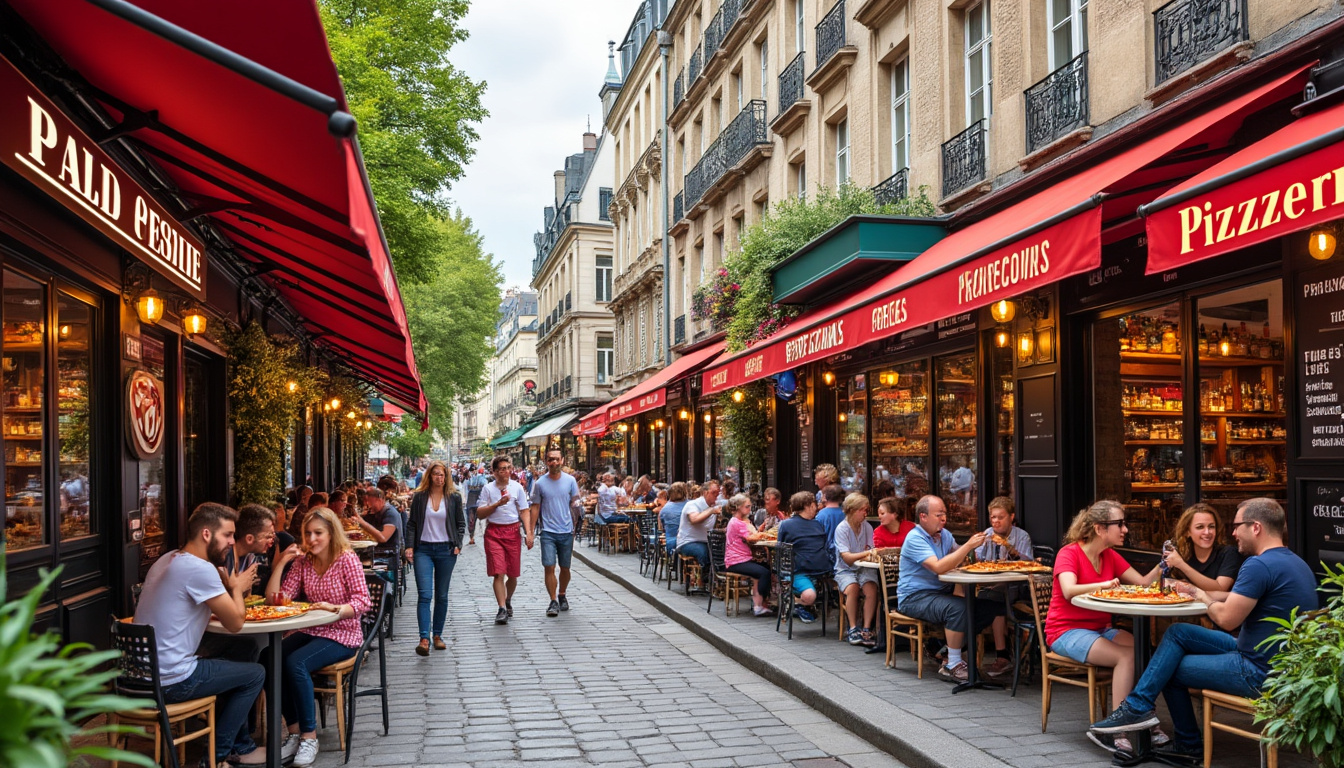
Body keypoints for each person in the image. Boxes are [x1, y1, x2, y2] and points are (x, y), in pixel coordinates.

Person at [1089, 498, 1319, 760]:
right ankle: (1138, 708)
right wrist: (1194, 591)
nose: (1233, 533)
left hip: (1259, 670)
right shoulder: (1295, 562)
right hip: (1278, 662)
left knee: (1169, 668)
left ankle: (1184, 741)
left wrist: (1202, 596)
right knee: (1178, 633)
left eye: (1237, 526)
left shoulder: (1258, 565)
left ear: (1255, 527)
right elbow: (1234, 599)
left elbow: (1226, 619)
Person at [133, 503, 267, 766]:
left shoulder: (167, 558)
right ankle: (216, 757)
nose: (232, 542)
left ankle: (239, 745)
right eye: (227, 535)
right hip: (171, 680)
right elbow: (236, 622)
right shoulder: (199, 569)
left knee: (244, 649)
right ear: (206, 534)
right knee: (255, 675)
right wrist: (236, 587)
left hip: (139, 675)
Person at [1045, 500, 1164, 749]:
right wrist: (1104, 584)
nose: (1125, 529)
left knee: (1145, 652)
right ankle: (1115, 729)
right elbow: (1069, 590)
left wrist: (1164, 565)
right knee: (1126, 657)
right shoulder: (1069, 553)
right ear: (1100, 528)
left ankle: (1144, 718)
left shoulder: (1109, 555)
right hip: (1065, 631)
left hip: (1099, 629)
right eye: (1119, 524)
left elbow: (1143, 583)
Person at [265, 507, 370, 767]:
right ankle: (294, 731)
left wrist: (336, 609)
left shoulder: (346, 558)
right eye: (308, 533)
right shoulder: (303, 562)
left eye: (318, 533)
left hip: (343, 632)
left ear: (331, 532)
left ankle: (309, 737)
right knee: (268, 657)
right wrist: (281, 564)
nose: (312, 539)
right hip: (312, 629)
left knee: (295, 662)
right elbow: (276, 601)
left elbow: (362, 600)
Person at [897, 495, 1003, 683]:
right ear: (923, 516)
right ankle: (952, 665)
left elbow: (958, 556)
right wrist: (968, 545)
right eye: (939, 515)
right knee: (958, 608)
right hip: (915, 597)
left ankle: (944, 650)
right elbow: (938, 567)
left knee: (990, 608)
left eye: (945, 514)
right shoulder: (915, 538)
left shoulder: (944, 534)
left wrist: (972, 553)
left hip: (940, 593)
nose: (944, 519)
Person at [405, 462, 465, 655]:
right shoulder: (420, 497)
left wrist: (458, 544)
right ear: (429, 476)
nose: (439, 478)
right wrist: (409, 546)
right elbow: (412, 523)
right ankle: (424, 638)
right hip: (423, 549)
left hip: (446, 550)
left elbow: (460, 523)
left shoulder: (453, 497)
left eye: (442, 475)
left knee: (442, 595)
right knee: (425, 595)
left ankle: (437, 635)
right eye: (436, 474)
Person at [971, 496, 1034, 679]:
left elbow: (1028, 565)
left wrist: (1010, 549)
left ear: (1011, 517)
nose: (996, 521)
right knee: (981, 597)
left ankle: (1001, 656)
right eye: (993, 517)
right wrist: (973, 548)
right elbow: (980, 560)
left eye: (1000, 517)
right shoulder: (988, 533)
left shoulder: (1021, 536)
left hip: (1017, 586)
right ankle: (1001, 656)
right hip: (990, 585)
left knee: (991, 598)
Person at [477, 456, 531, 624]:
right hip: (494, 533)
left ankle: (507, 600)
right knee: (498, 573)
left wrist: (529, 532)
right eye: (502, 469)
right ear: (494, 472)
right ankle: (501, 609)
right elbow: (479, 513)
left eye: (508, 468)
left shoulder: (517, 488)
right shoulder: (487, 489)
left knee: (513, 574)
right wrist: (497, 504)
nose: (506, 472)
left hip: (513, 531)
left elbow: (524, 510)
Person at [530, 448, 582, 617]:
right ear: (546, 462)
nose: (554, 462)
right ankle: (553, 600)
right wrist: (530, 531)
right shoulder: (539, 484)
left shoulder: (570, 481)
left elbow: (575, 501)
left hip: (566, 531)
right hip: (548, 532)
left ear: (562, 460)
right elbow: (535, 507)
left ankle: (562, 594)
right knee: (549, 566)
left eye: (557, 459)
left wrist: (577, 515)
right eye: (550, 459)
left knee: (565, 567)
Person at [1163, 502, 1243, 593]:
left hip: (1216, 607)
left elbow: (1221, 588)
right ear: (1187, 532)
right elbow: (1166, 584)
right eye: (1200, 527)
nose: (1207, 532)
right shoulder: (1183, 553)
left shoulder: (1229, 553)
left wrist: (1182, 566)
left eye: (1211, 527)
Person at [776, 491, 830, 624]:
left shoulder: (817, 524)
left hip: (820, 570)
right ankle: (799, 604)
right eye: (814, 504)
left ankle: (803, 606)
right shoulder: (786, 524)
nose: (816, 507)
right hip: (798, 571)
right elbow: (781, 548)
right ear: (809, 505)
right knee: (810, 595)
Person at [835, 493, 880, 646]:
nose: (866, 514)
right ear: (853, 510)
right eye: (863, 510)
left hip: (863, 567)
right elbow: (847, 558)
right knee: (853, 588)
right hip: (845, 569)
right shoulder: (842, 529)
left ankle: (866, 628)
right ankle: (853, 628)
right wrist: (868, 553)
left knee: (871, 588)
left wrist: (869, 553)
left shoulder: (866, 526)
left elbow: (871, 548)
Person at [722, 493, 774, 616]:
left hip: (742, 559)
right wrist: (764, 534)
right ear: (738, 507)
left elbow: (752, 534)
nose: (750, 509)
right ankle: (761, 602)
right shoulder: (737, 522)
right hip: (736, 561)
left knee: (764, 568)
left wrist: (760, 531)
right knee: (764, 572)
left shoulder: (741, 521)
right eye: (747, 506)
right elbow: (751, 538)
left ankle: (758, 605)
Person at [675, 480, 720, 577]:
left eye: (718, 493)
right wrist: (711, 511)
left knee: (720, 552)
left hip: (706, 541)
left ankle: (718, 580)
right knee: (704, 552)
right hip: (688, 542)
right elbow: (694, 519)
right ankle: (704, 581)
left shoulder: (714, 507)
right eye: (713, 492)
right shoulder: (692, 505)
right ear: (705, 493)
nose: (716, 495)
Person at [357, 488, 402, 553]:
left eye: (370, 502)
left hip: (387, 555)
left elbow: (383, 538)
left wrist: (362, 522)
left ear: (379, 500)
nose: (367, 505)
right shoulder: (376, 512)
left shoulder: (390, 513)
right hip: (376, 550)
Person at [814, 484, 847, 561]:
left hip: (827, 555)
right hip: (844, 553)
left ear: (825, 496)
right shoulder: (845, 514)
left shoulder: (821, 515)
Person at [660, 482, 688, 556]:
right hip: (687, 541)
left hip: (671, 542)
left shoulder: (665, 509)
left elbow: (663, 527)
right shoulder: (691, 505)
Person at [464, 465, 489, 545]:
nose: (473, 471)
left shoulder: (481, 478)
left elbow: (485, 484)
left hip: (479, 500)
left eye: (474, 470)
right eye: (472, 470)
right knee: (471, 520)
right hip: (471, 501)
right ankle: (471, 537)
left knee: (484, 519)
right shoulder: (467, 479)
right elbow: (465, 490)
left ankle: (486, 534)